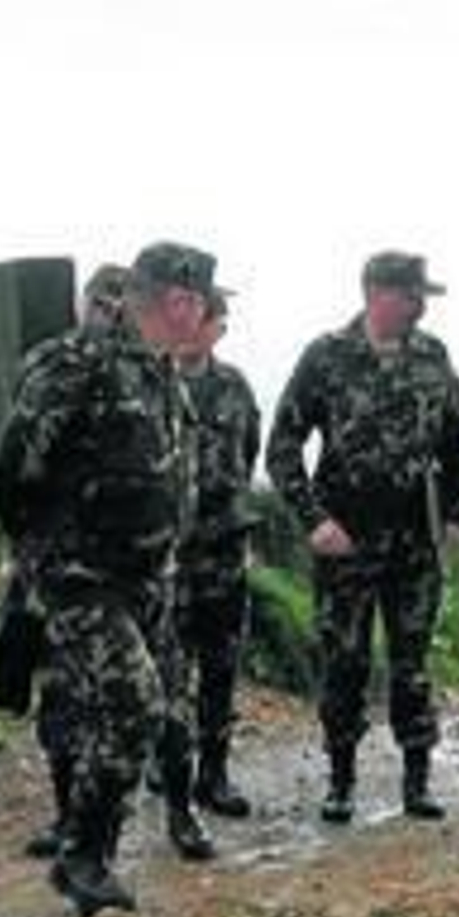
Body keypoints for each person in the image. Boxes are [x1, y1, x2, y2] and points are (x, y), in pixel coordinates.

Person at [0, 242, 219, 917]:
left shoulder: (159, 369)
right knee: (134, 704)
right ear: (178, 301)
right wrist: (36, 556)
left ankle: (95, 850)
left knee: (153, 710)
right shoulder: (78, 362)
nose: (204, 313)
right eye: (200, 302)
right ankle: (82, 857)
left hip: (148, 577)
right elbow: (10, 469)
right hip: (82, 576)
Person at [266, 251, 459, 825]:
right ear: (376, 293)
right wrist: (313, 520)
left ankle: (417, 782)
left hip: (414, 541)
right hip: (347, 541)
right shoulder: (327, 356)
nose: (420, 307)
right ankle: (341, 781)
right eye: (411, 296)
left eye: (422, 298)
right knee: (345, 661)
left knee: (413, 662)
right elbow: (283, 445)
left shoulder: (433, 356)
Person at [10, 263, 131, 861]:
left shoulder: (137, 372)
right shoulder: (50, 362)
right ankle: (67, 819)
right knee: (61, 693)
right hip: (60, 560)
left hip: (119, 566)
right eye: (101, 303)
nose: (108, 314)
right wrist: (25, 544)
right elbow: (15, 463)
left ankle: (96, 828)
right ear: (85, 302)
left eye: (117, 305)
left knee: (117, 700)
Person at [174, 290, 262, 818]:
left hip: (224, 552)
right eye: (203, 319)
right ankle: (169, 769)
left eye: (216, 322)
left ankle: (214, 774)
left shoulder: (234, 387)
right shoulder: (153, 383)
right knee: (169, 669)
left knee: (220, 669)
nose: (205, 329)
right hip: (168, 556)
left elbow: (247, 453)